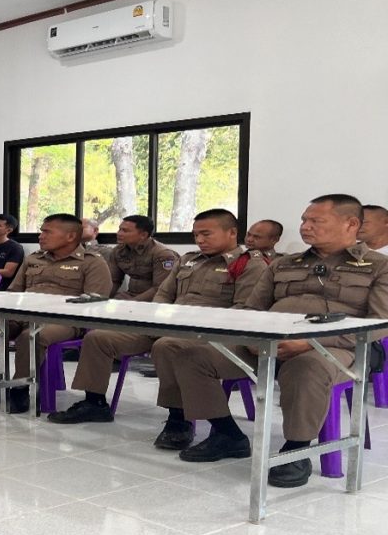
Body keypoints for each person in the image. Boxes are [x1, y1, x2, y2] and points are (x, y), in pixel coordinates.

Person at [151, 194, 388, 488]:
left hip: (335, 348)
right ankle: (227, 433)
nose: (305, 226)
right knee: (188, 354)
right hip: (268, 343)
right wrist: (253, 337)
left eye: (316, 221)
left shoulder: (378, 266)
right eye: (304, 220)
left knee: (306, 366)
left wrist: (309, 343)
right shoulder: (283, 264)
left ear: (351, 224)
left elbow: (379, 323)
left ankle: (296, 449)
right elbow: (252, 310)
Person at [46, 209, 267, 426]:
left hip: (207, 333)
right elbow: (163, 293)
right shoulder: (189, 260)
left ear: (232, 233)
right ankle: (94, 403)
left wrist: (184, 325)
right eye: (196, 234)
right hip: (167, 325)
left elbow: (242, 310)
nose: (199, 240)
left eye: (206, 234)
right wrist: (159, 320)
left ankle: (179, 418)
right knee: (98, 338)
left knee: (167, 346)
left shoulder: (249, 264)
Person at [0, 214, 113, 412]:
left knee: (32, 336)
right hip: (22, 315)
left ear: (70, 236)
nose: (41, 236)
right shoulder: (34, 258)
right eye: (41, 231)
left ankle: (19, 389)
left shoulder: (92, 262)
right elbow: (14, 292)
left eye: (47, 232)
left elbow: (94, 302)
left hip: (63, 320)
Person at [107, 215, 178, 301]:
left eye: (125, 231)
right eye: (119, 229)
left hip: (157, 298)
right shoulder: (118, 251)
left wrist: (132, 303)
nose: (119, 233)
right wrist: (101, 298)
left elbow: (160, 288)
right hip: (130, 295)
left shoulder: (162, 254)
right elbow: (114, 281)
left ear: (143, 235)